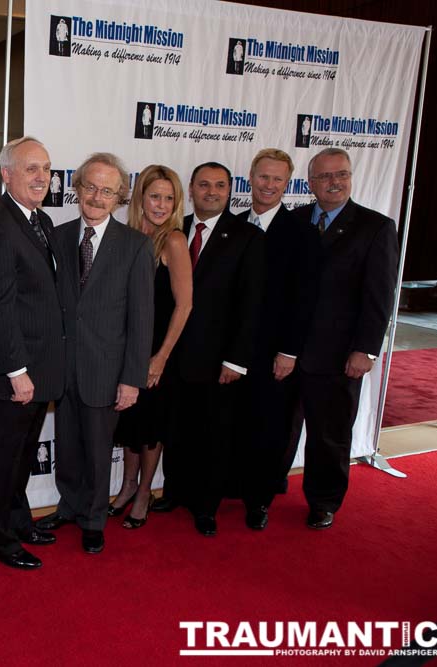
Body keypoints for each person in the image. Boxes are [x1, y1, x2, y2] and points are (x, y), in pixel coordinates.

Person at [34, 153, 154, 554]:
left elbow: (141, 319)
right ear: (77, 188)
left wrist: (132, 379)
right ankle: (69, 505)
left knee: (99, 452)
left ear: (119, 197)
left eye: (107, 190)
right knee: (67, 445)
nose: (96, 197)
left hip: (107, 369)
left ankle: (93, 518)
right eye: (90, 187)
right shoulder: (58, 235)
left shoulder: (135, 246)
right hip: (62, 367)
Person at [0, 136, 65, 569]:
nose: (42, 176)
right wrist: (16, 370)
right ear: (6, 175)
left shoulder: (39, 221)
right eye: (31, 168)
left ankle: (18, 519)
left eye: (45, 168)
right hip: (7, 375)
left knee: (21, 456)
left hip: (35, 371)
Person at [153, 162, 264, 537]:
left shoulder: (248, 236)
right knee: (176, 429)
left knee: (214, 435)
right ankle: (175, 492)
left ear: (231, 191)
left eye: (220, 185)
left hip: (219, 360)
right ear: (192, 187)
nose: (212, 192)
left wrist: (236, 360)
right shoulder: (173, 228)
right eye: (204, 184)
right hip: (173, 356)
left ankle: (206, 506)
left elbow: (252, 305)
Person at [292, 148, 398, 530]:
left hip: (340, 356)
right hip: (289, 352)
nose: (334, 182)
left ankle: (323, 501)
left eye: (342, 174)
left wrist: (366, 349)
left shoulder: (376, 227)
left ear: (351, 178)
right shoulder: (296, 221)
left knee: (330, 435)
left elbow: (380, 295)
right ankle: (265, 492)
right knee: (278, 430)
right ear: (310, 183)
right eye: (324, 176)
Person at [235, 149, 319, 530]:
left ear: (288, 184)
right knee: (236, 423)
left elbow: (305, 298)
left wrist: (289, 351)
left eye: (278, 179)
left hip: (275, 352)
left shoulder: (302, 232)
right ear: (250, 177)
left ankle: (260, 500)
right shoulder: (233, 225)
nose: (269, 185)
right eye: (263, 177)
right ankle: (233, 486)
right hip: (234, 351)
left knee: (271, 427)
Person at [110, 165, 193, 528]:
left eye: (169, 198)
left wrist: (160, 358)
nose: (161, 205)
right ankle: (127, 486)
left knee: (151, 429)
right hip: (126, 349)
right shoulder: (126, 235)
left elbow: (185, 304)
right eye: (155, 196)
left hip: (158, 352)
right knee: (131, 425)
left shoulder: (173, 240)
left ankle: (144, 492)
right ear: (140, 197)